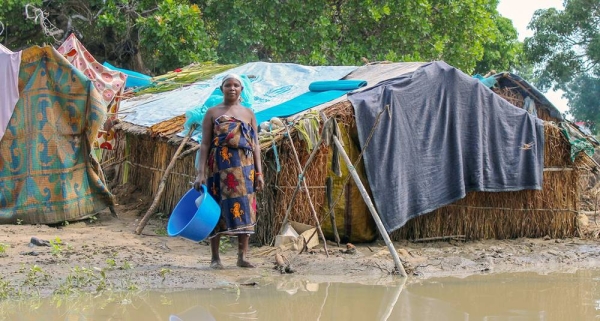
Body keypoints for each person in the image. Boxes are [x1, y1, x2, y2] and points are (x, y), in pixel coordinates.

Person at [194, 73, 264, 269]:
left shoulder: (249, 113)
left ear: (242, 90)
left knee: (246, 208)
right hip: (219, 168)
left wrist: (259, 173)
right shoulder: (212, 112)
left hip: (245, 168)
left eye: (236, 85)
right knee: (215, 208)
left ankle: (242, 257)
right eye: (228, 85)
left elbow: (256, 145)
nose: (232, 88)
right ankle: (215, 258)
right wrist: (201, 173)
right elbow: (205, 144)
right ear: (221, 89)